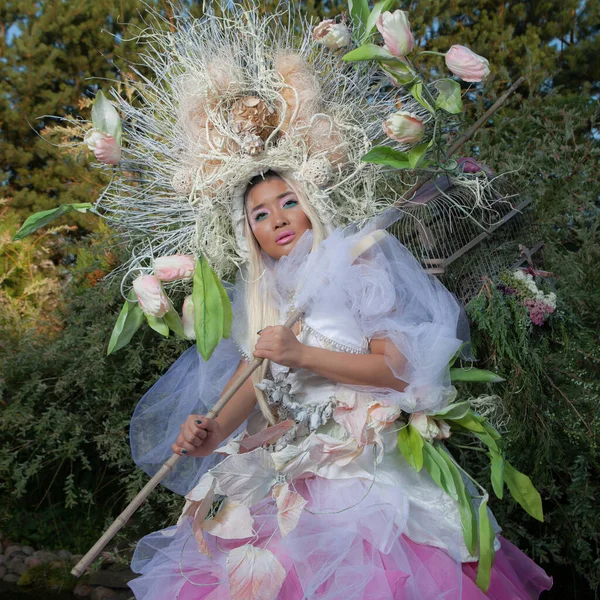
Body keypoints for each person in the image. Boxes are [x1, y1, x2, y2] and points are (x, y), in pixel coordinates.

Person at [127, 170, 552, 600]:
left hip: (363, 475)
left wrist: (302, 354)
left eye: (289, 202)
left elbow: (395, 370)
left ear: (312, 205)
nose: (277, 219)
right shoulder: (261, 298)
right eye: (260, 214)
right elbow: (247, 385)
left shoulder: (356, 266)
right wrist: (209, 433)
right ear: (248, 232)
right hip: (287, 478)